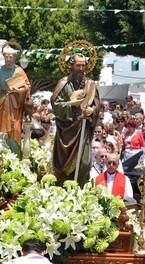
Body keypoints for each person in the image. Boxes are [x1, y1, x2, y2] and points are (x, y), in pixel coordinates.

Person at [51, 54, 100, 185]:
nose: (81, 68)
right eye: (78, 65)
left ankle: (81, 190)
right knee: (64, 167)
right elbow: (56, 105)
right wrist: (71, 104)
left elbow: (97, 105)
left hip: (83, 130)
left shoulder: (90, 84)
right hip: (66, 132)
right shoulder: (64, 83)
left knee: (84, 162)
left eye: (83, 65)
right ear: (71, 66)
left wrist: (92, 111)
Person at [0, 44, 31, 152]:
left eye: (10, 57)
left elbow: (27, 87)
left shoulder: (19, 71)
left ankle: (15, 152)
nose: (8, 59)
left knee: (14, 128)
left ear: (14, 57)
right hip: (1, 102)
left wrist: (19, 91)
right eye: (6, 57)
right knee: (0, 129)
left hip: (15, 103)